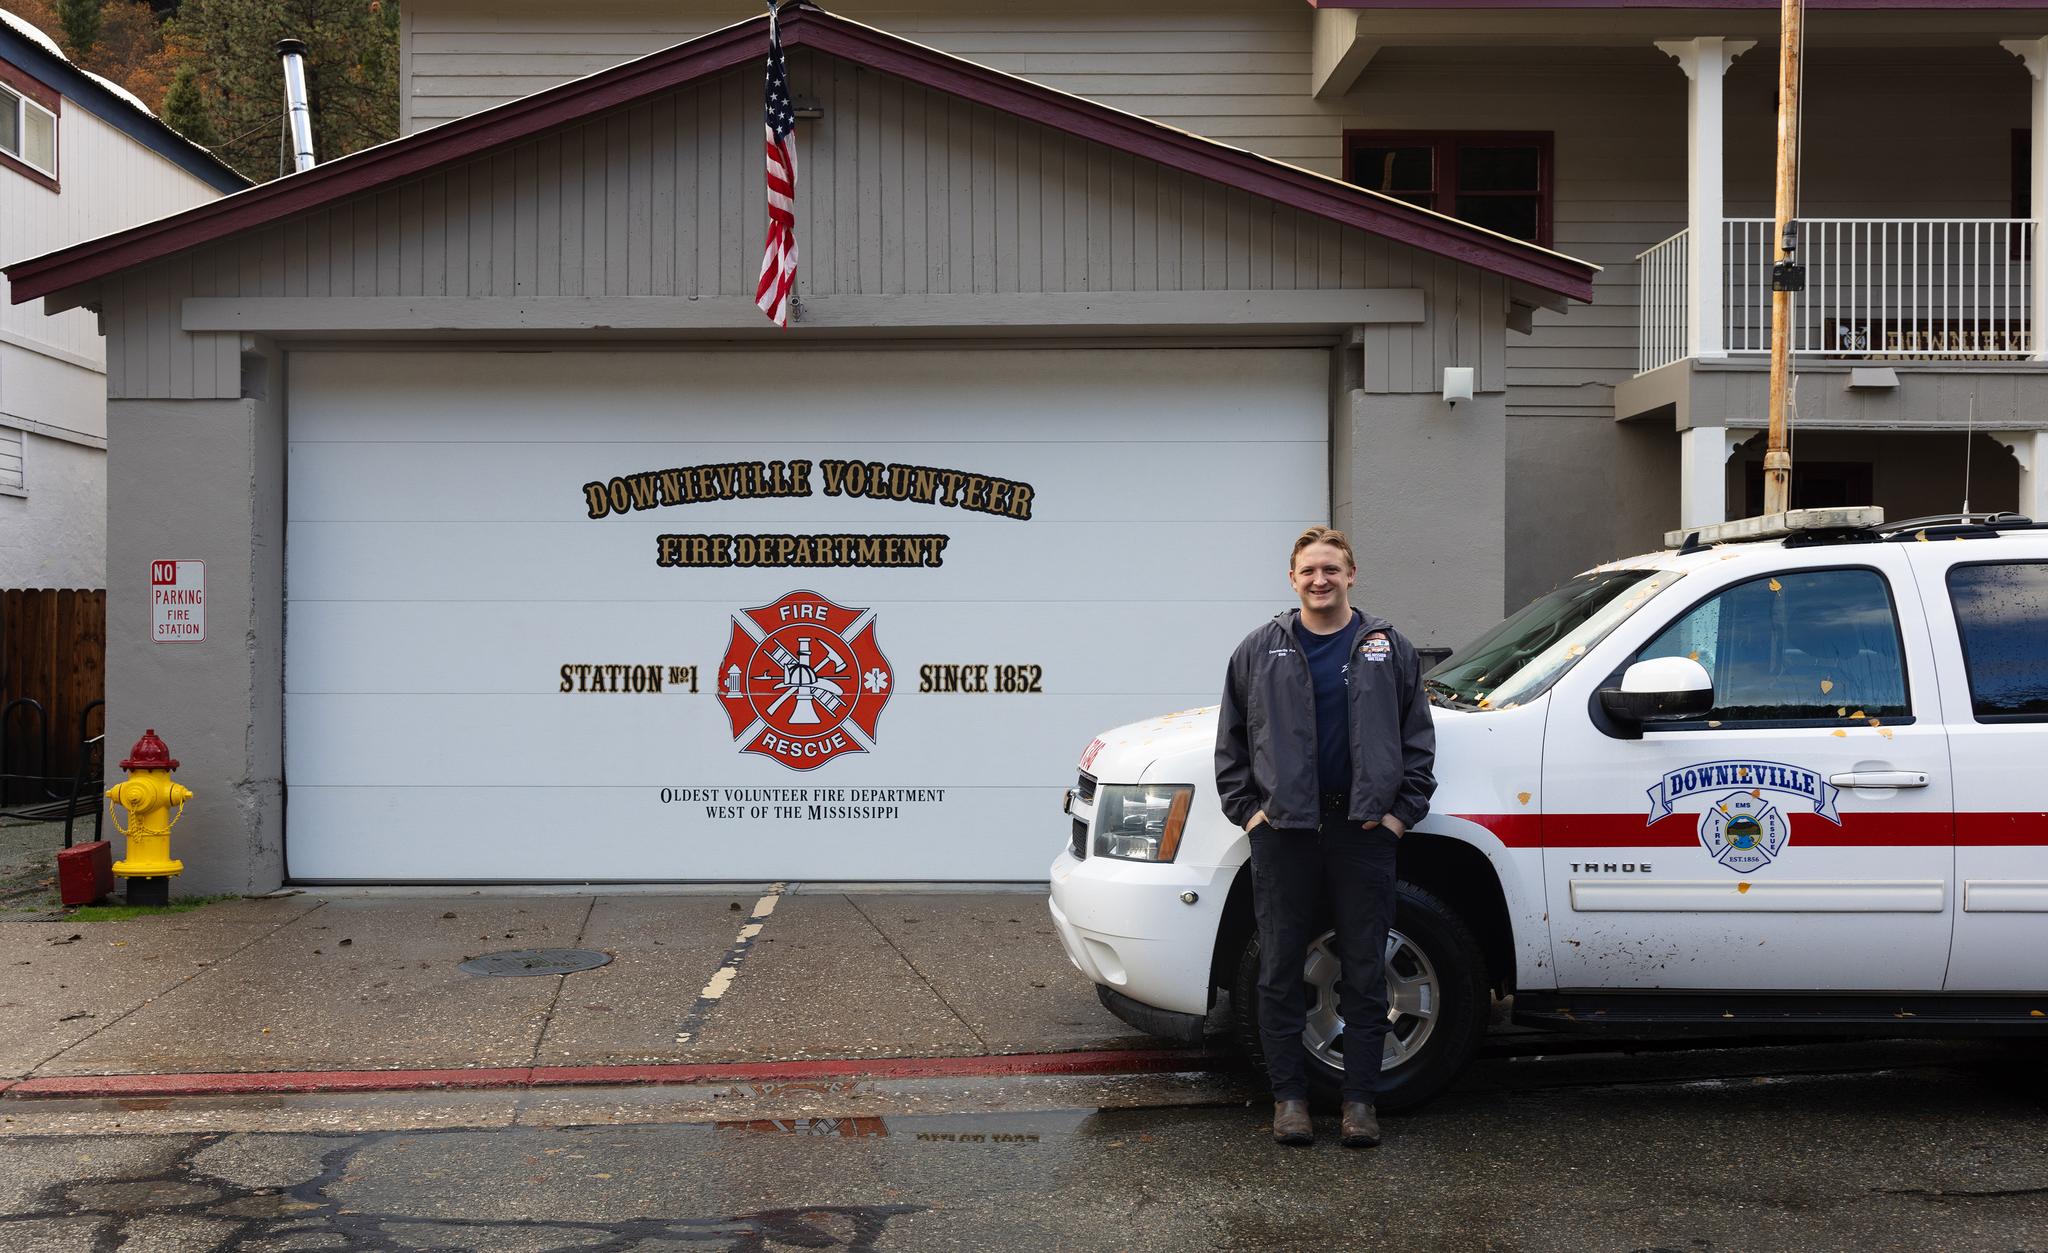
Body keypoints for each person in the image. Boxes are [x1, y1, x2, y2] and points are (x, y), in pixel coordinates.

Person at [1214, 525, 1436, 1148]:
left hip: (1363, 830)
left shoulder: (1388, 648)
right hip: (1283, 831)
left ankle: (1358, 1103)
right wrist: (1250, 815)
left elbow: (1417, 739)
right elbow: (1232, 744)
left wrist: (1399, 816)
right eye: (1309, 570)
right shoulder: (1259, 650)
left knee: (1365, 967)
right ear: (1292, 579)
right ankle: (1289, 1101)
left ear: (1351, 575)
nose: (1320, 580)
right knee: (1280, 967)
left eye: (1331, 570)